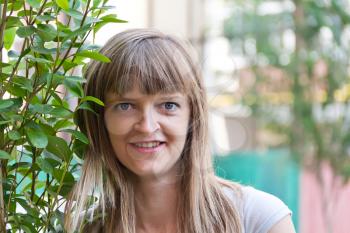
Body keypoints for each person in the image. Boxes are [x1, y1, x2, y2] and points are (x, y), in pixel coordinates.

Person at [64, 28, 296, 233]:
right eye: (125, 105)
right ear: (99, 119)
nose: (147, 126)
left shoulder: (258, 219)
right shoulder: (85, 227)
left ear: (192, 116)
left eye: (168, 105)